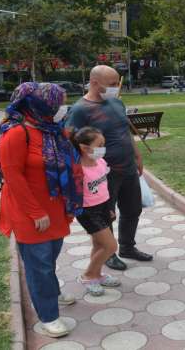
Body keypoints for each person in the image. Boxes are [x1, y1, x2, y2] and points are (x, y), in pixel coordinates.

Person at [0, 82, 83, 338]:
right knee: (39, 265)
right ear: (40, 105)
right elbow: (13, 177)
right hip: (29, 210)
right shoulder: (15, 133)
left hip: (55, 206)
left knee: (50, 257)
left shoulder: (52, 131)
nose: (61, 109)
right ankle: (48, 316)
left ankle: (52, 291)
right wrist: (35, 212)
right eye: (56, 104)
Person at [66, 65, 152, 271]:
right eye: (111, 84)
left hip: (128, 167)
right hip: (103, 173)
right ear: (95, 83)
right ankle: (108, 253)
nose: (116, 88)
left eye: (116, 83)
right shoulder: (79, 110)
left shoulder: (117, 102)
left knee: (133, 209)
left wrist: (137, 155)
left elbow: (125, 131)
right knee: (106, 214)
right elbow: (70, 140)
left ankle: (127, 247)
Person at [70, 126, 121, 296]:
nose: (103, 148)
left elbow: (104, 186)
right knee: (111, 246)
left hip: (103, 207)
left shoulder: (100, 162)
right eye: (99, 144)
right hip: (88, 212)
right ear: (84, 148)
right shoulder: (78, 170)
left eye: (103, 143)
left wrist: (109, 208)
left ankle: (97, 275)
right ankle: (88, 275)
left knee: (99, 244)